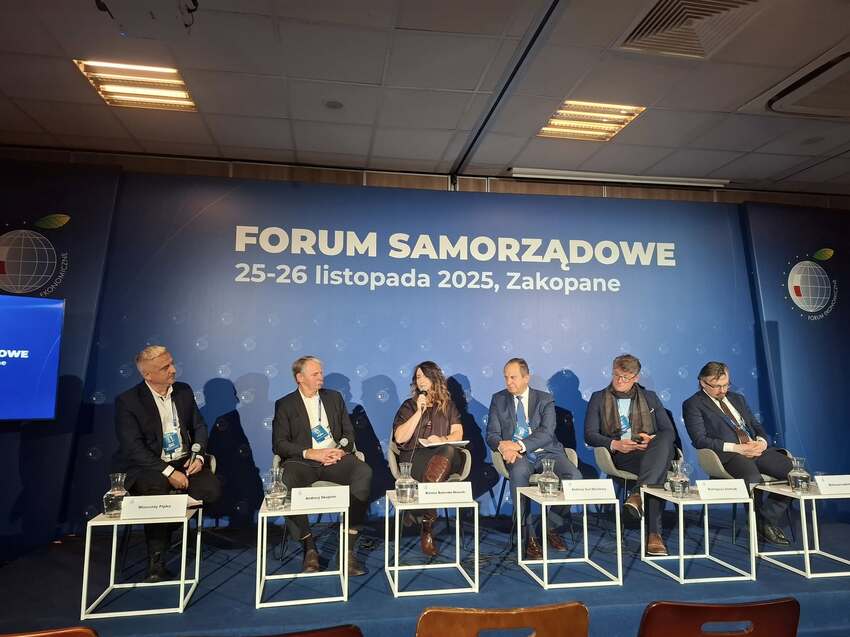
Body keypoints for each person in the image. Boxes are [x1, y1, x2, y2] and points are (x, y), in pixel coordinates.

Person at [113, 345, 221, 582]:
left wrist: (198, 455)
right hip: (149, 467)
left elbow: (199, 426)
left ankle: (169, 525)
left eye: (171, 363)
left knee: (211, 490)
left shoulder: (183, 391)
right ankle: (156, 561)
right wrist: (169, 472)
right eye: (165, 367)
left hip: (183, 461)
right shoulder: (128, 401)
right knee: (157, 493)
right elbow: (133, 448)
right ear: (147, 374)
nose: (173, 370)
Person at [272, 356, 372, 576]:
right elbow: (279, 444)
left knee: (363, 472)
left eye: (321, 372)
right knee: (286, 480)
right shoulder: (285, 404)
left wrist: (340, 449)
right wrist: (310, 453)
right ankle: (309, 547)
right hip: (303, 461)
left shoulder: (334, 398)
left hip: (335, 458)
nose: (321, 377)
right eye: (315, 374)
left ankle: (348, 550)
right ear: (300, 378)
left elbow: (348, 434)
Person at [683, 361, 793, 546]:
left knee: (795, 474)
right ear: (702, 382)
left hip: (755, 449)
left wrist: (761, 442)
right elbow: (700, 440)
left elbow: (757, 426)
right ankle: (760, 524)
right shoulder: (693, 404)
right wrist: (737, 448)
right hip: (728, 455)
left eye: (726, 385)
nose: (722, 390)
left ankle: (765, 519)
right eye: (717, 386)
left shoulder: (737, 399)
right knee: (753, 478)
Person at [486, 358, 582, 558]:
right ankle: (528, 536)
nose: (508, 382)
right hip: (517, 456)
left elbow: (547, 433)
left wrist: (518, 445)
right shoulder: (499, 399)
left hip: (547, 451)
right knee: (519, 474)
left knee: (575, 477)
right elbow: (492, 434)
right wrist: (503, 447)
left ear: (526, 378)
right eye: (506, 377)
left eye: (513, 377)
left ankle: (551, 527)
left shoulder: (545, 399)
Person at [584, 353, 676, 557]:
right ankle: (654, 534)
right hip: (622, 454)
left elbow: (669, 431)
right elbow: (589, 434)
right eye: (616, 375)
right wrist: (615, 443)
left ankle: (637, 494)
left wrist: (652, 440)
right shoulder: (599, 397)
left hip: (649, 451)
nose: (619, 381)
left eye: (625, 377)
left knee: (663, 442)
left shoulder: (649, 397)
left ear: (636, 378)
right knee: (658, 469)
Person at [392, 361, 465, 557]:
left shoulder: (448, 406)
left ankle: (422, 515)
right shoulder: (409, 406)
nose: (421, 380)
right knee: (432, 469)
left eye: (424, 376)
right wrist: (419, 412)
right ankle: (428, 524)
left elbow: (458, 434)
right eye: (418, 377)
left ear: (435, 378)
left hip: (443, 456)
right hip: (415, 457)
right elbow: (400, 438)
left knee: (448, 450)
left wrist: (441, 439)